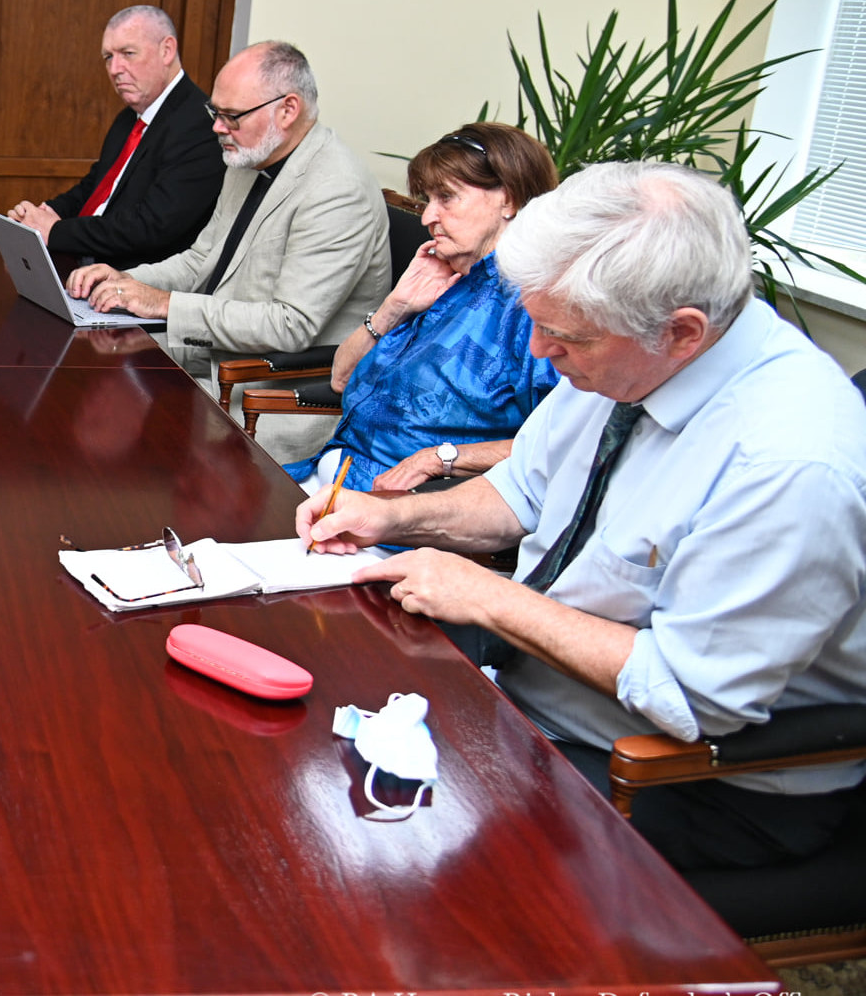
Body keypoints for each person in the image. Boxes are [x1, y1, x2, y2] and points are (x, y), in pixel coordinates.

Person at [301, 162, 866, 871]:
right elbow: (520, 494)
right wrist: (393, 518)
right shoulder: (624, 349)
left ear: (683, 333)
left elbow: (691, 695)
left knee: (393, 856)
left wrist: (490, 598)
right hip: (538, 699)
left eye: (564, 335)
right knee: (314, 717)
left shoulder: (789, 464)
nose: (540, 351)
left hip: (689, 780)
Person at [66, 41, 389, 381]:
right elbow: (200, 260)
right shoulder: (249, 158)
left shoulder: (337, 190)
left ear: (288, 110)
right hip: (214, 355)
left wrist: (162, 303)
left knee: (104, 390)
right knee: (85, 361)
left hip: (265, 388)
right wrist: (126, 281)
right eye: (215, 113)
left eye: (231, 116)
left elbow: (290, 325)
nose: (217, 128)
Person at [284, 123, 560, 493]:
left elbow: (558, 443)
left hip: (398, 504)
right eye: (427, 200)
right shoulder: (446, 276)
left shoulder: (535, 305)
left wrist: (440, 458)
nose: (428, 217)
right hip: (331, 473)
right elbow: (341, 379)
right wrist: (394, 307)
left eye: (446, 197)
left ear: (508, 199)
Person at [4, 5, 225, 269]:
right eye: (108, 57)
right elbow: (94, 188)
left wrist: (56, 231)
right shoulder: (128, 118)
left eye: (128, 53)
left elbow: (152, 226)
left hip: (133, 279)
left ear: (167, 50)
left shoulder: (201, 125)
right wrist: (42, 215)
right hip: (85, 262)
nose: (114, 69)